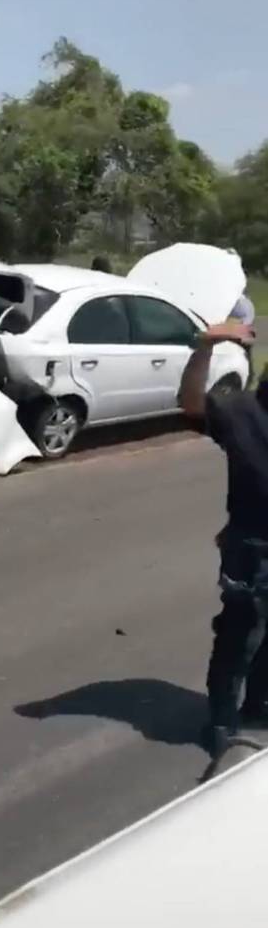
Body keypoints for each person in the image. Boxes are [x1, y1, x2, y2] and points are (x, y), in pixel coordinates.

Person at [180, 321, 268, 756]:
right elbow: (191, 404)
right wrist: (205, 346)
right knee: (238, 638)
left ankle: (257, 707)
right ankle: (221, 721)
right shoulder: (242, 413)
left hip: (249, 541)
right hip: (252, 553)